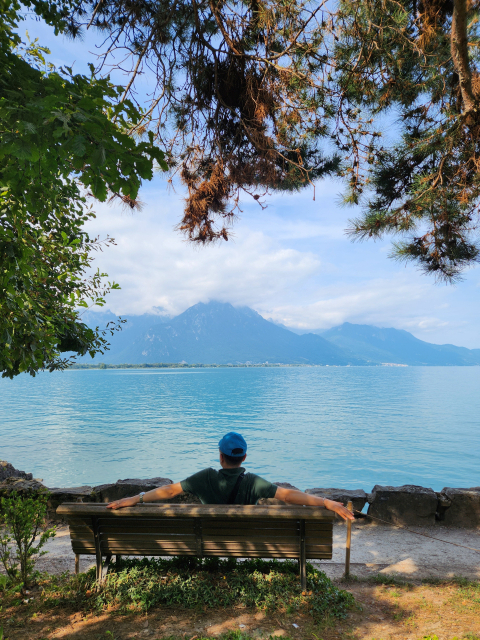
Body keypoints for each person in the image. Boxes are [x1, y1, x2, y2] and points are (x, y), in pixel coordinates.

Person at [107, 432, 354, 521]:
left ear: (220, 456)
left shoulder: (203, 477)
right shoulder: (254, 482)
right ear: (244, 458)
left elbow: (170, 491)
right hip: (247, 541)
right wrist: (326, 502)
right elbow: (288, 496)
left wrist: (135, 498)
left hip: (207, 540)